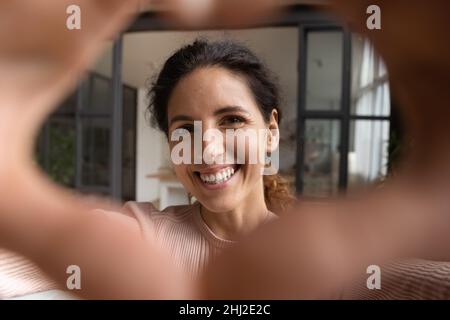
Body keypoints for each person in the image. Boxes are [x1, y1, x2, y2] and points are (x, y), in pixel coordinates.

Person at [0, 0, 450, 299]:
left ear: (270, 132)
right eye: (185, 129)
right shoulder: (140, 231)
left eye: (232, 120)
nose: (207, 147)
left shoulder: (333, 255)